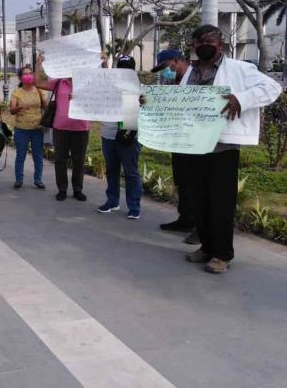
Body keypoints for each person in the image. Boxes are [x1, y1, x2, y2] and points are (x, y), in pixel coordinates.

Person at [179, 25, 281, 274]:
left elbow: (272, 88)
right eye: (199, 41)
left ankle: (222, 254)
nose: (204, 44)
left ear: (220, 45)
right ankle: (206, 247)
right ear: (193, 45)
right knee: (198, 201)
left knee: (221, 203)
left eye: (209, 41)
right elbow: (178, 102)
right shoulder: (189, 72)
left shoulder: (240, 69)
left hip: (222, 147)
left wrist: (241, 99)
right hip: (193, 146)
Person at [152, 50, 199, 243]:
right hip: (179, 140)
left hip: (196, 141)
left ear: (177, 61)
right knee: (182, 180)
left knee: (196, 184)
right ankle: (185, 218)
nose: (165, 72)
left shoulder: (196, 78)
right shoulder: (176, 82)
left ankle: (200, 226)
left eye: (165, 67)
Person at [35, 55, 90, 201]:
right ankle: (62, 189)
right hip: (60, 128)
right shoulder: (59, 82)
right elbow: (38, 82)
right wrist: (38, 64)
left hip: (81, 128)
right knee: (60, 160)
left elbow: (105, 86)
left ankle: (78, 189)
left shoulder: (87, 83)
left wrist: (104, 64)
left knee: (79, 161)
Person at [96, 55, 143, 219]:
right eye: (121, 67)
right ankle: (112, 201)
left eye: (127, 67)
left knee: (131, 172)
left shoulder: (140, 88)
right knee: (111, 170)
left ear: (133, 70)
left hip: (129, 135)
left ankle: (134, 206)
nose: (124, 71)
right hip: (108, 135)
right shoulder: (109, 86)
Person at [9, 65, 46, 190]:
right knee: (21, 156)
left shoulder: (39, 90)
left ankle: (38, 180)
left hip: (37, 128)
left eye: (30, 73)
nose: (28, 75)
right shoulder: (17, 92)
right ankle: (19, 180)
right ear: (20, 78)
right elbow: (12, 110)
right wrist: (19, 107)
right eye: (25, 74)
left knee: (38, 156)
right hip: (21, 129)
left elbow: (46, 107)